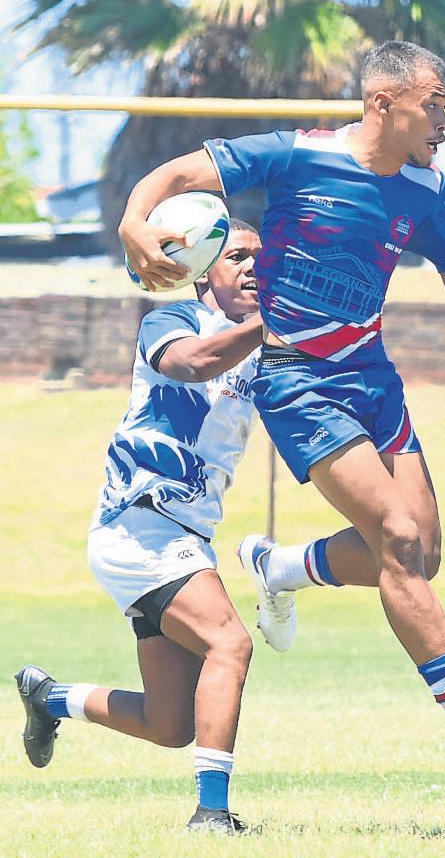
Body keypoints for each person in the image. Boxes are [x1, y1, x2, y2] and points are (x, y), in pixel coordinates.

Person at [119, 40, 445, 786]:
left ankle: (282, 566)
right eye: (434, 106)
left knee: (423, 554)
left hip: (372, 376)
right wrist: (135, 222)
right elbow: (180, 174)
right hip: (296, 379)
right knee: (397, 536)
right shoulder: (298, 155)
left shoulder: (428, 190)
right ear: (384, 102)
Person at [15, 221, 265, 833]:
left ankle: (50, 697)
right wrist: (275, 323)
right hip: (140, 526)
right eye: (237, 256)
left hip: (185, 535)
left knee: (169, 724)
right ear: (203, 268)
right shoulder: (172, 321)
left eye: (262, 257)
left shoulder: (263, 347)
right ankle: (211, 815)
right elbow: (192, 364)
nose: (254, 267)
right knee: (229, 643)